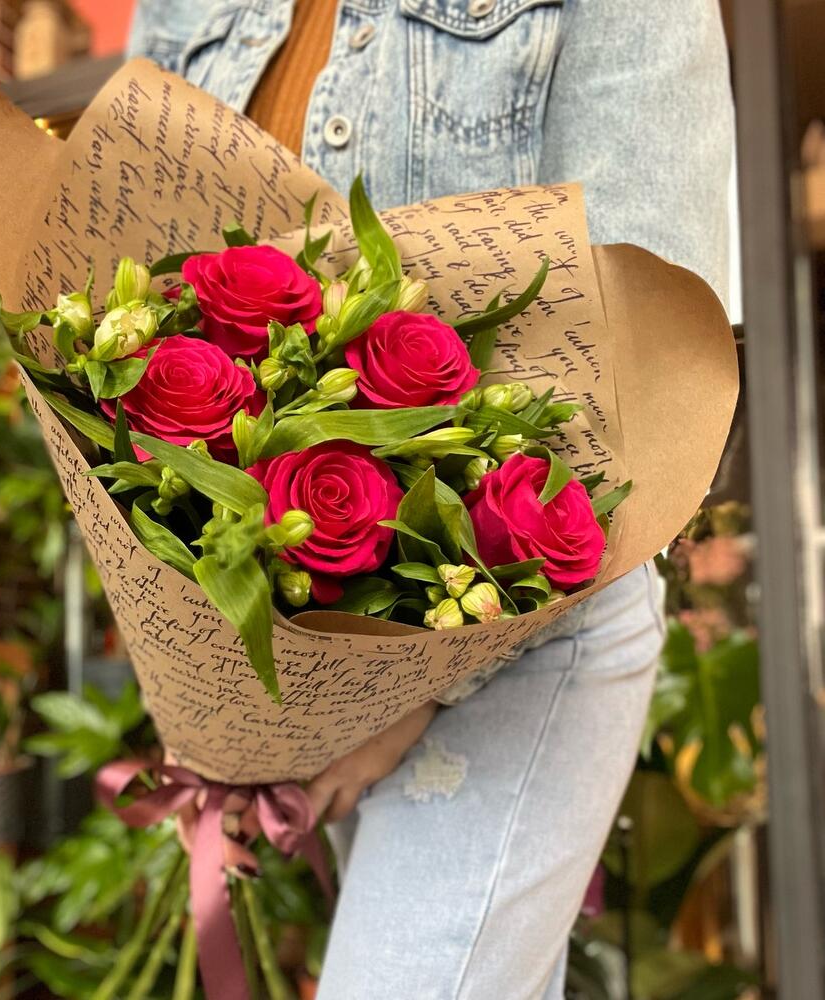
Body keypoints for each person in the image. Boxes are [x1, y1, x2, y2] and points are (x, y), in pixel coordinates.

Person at [126, 2, 733, 996]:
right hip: (303, 653)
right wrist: (200, 659)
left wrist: (406, 690)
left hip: (524, 626)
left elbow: (651, 333)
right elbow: (144, 297)